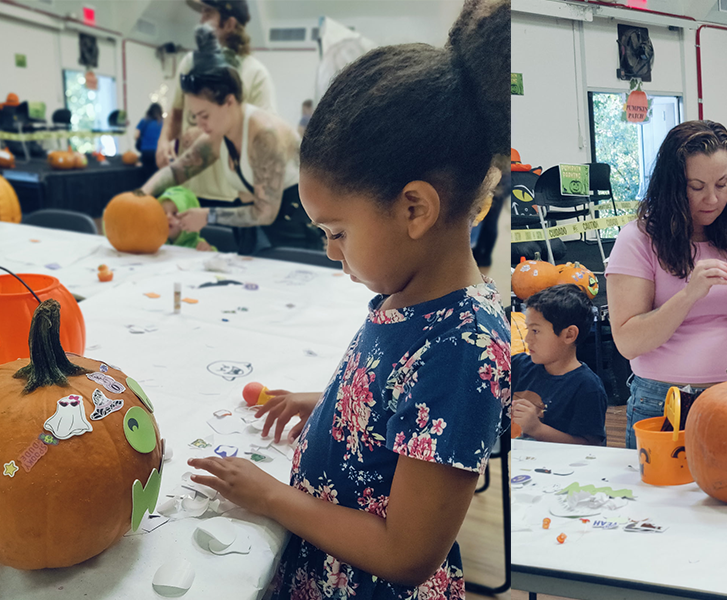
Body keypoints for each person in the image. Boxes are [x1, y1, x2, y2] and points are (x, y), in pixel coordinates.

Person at [185, 2, 511, 598]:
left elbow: (406, 553)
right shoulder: (406, 292)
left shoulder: (464, 349)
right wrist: (329, 405)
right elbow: (397, 403)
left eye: (337, 232)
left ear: (414, 208)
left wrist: (269, 495)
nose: (331, 253)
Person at [605, 120, 727, 449]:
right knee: (663, 484)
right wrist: (688, 295)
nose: (712, 199)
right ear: (673, 186)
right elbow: (628, 342)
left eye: (722, 184)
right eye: (696, 186)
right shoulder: (638, 239)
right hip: (662, 401)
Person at [140, 26, 322, 253]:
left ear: (228, 101)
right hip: (256, 228)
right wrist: (141, 194)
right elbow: (178, 171)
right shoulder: (220, 134)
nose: (199, 125)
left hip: (292, 231)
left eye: (204, 115)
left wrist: (208, 216)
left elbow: (265, 213)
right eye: (194, 117)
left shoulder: (264, 135)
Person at [157, 0, 277, 209]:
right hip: (187, 192)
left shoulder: (256, 74)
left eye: (208, 13)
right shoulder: (189, 63)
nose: (201, 20)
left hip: (231, 197)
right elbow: (176, 112)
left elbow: (263, 138)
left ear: (229, 24)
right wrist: (164, 140)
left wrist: (211, 133)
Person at [511, 284, 609, 445]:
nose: (527, 339)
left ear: (569, 335)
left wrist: (537, 429)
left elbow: (589, 446)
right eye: (527, 329)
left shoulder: (587, 387)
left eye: (535, 331)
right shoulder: (519, 366)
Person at [157, 187, 213, 251]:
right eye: (163, 213)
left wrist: (209, 250)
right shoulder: (156, 243)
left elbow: (216, 256)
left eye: (175, 213)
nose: (168, 217)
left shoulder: (198, 245)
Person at [134, 103, 164, 176]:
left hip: (146, 152)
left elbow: (136, 136)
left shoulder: (144, 121)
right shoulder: (162, 122)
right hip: (157, 151)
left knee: (146, 175)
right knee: (157, 175)